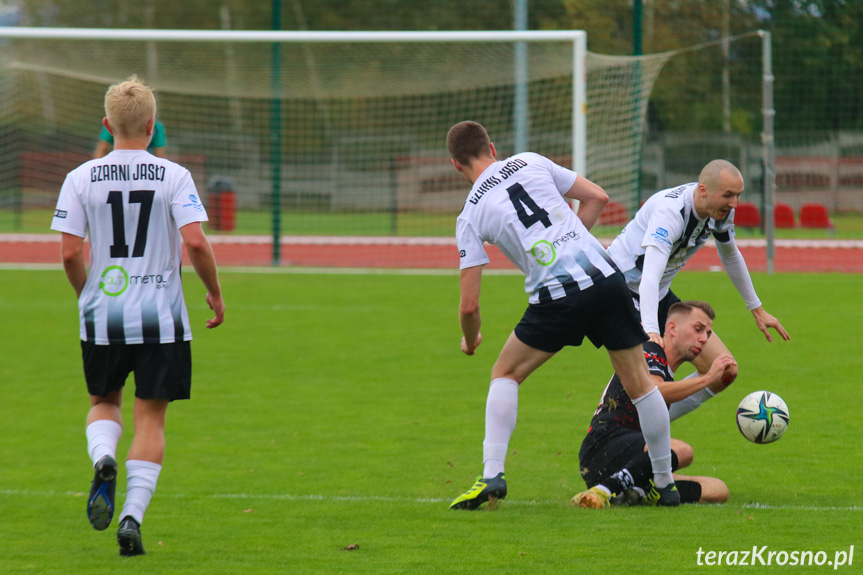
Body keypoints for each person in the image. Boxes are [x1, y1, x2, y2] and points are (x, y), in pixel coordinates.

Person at [446, 120, 680, 510]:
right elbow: (598, 198)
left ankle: (492, 476)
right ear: (493, 146)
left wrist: (471, 341)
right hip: (607, 279)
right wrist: (573, 239)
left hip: (558, 297)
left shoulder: (470, 215)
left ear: (456, 165)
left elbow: (469, 305)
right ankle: (665, 485)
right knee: (640, 384)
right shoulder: (530, 161)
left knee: (505, 373)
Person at [50, 75, 224, 556]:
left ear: (107, 125)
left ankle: (103, 456)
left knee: (104, 402)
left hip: (102, 315)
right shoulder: (175, 176)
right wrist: (214, 292)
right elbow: (194, 242)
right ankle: (132, 515)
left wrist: (89, 295)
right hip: (162, 318)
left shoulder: (80, 177)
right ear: (152, 126)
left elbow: (68, 254)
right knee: (152, 419)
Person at [606, 159, 790, 416]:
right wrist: (650, 330)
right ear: (703, 190)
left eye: (738, 195)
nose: (735, 203)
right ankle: (632, 428)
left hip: (656, 296)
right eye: (728, 195)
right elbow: (649, 275)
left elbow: (730, 255)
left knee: (724, 369)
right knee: (648, 383)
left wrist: (756, 309)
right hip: (620, 294)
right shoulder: (670, 213)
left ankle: (647, 423)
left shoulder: (721, 210)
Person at [573, 301, 735, 508]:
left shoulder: (666, 372)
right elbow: (654, 391)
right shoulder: (650, 349)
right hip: (603, 445)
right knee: (682, 451)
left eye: (708, 334)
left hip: (633, 458)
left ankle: (635, 492)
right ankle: (604, 490)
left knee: (718, 489)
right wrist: (706, 379)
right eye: (698, 330)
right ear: (672, 328)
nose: (704, 339)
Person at [95, 117, 167, 158]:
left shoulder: (157, 127)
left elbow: (160, 154)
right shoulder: (113, 122)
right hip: (117, 164)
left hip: (144, 167)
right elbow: (101, 150)